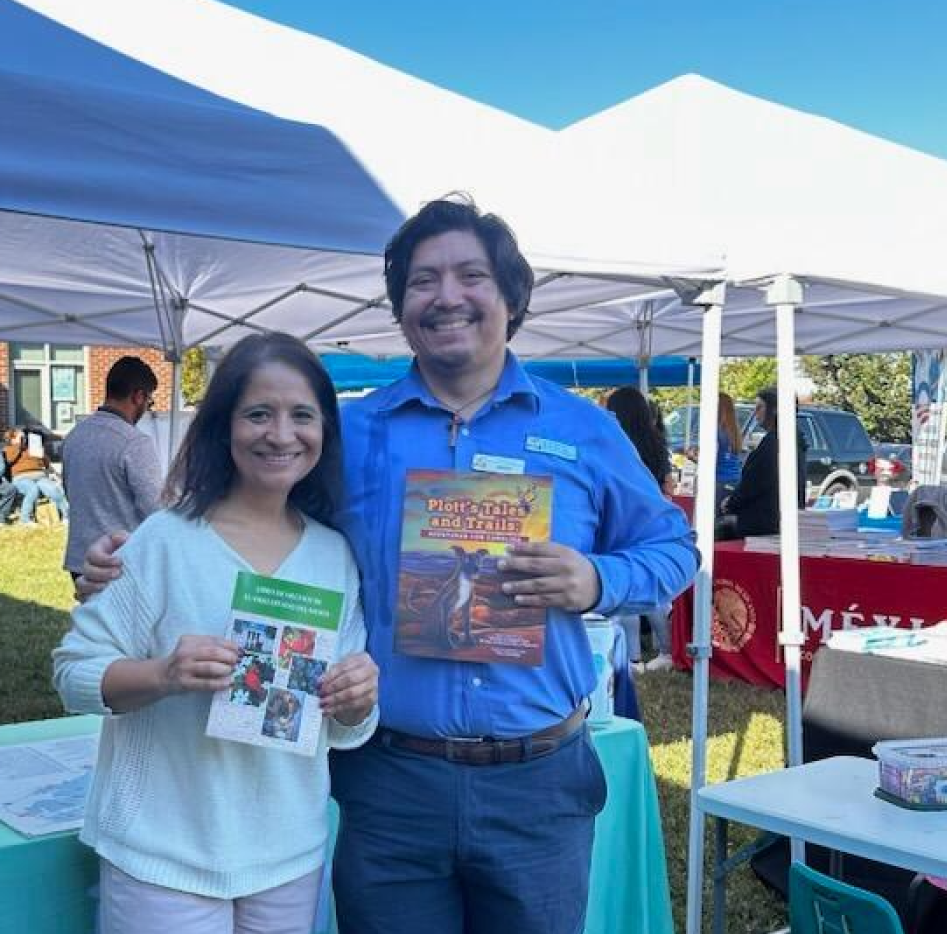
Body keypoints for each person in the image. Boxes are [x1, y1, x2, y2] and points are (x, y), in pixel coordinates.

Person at [78, 196, 698, 934]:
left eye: (471, 275)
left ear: (511, 296)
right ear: (402, 307)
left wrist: (598, 579)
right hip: (391, 785)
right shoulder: (347, 431)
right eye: (422, 280)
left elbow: (675, 551)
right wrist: (132, 560)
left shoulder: (584, 430)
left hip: (537, 785)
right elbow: (246, 515)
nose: (447, 297)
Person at [53, 333, 378, 934]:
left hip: (288, 854)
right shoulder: (163, 542)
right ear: (223, 426)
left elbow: (342, 729)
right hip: (162, 856)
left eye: (302, 415)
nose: (281, 434)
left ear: (326, 430)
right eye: (258, 413)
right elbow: (72, 674)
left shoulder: (334, 556)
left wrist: (358, 701)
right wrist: (163, 675)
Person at [60, 356, 163, 577]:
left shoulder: (74, 436)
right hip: (119, 563)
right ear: (138, 396)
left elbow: (69, 491)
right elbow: (156, 511)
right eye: (149, 402)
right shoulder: (135, 442)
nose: (146, 409)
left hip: (80, 560)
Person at [603, 386, 676, 672]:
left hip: (621, 519)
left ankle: (633, 657)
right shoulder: (656, 443)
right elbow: (667, 482)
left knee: (626, 589)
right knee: (655, 589)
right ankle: (667, 650)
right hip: (653, 519)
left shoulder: (615, 444)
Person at [716, 386, 807, 540]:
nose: (755, 413)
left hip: (762, 523)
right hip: (777, 519)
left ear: (775, 410)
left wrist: (730, 503)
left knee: (714, 529)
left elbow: (752, 484)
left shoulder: (774, 443)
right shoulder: (794, 440)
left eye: (759, 407)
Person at [2, 426, 69, 525]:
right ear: (11, 439)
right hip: (21, 477)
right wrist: (19, 445)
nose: (23, 439)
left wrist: (42, 454)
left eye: (24, 437)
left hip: (40, 476)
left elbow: (46, 464)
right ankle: (25, 519)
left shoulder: (32, 447)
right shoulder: (9, 449)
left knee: (53, 490)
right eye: (20, 437)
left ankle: (67, 515)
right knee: (33, 490)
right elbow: (9, 460)